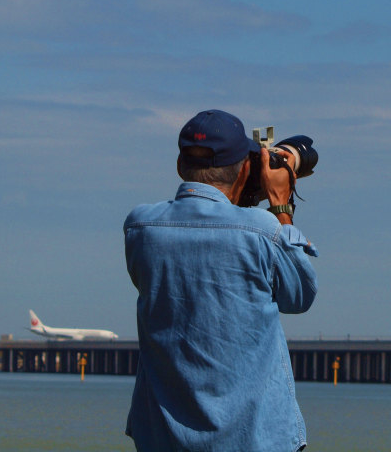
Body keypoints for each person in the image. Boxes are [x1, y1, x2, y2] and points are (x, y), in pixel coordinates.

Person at [124, 109, 318, 452]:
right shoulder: (263, 230)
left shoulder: (141, 228)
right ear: (245, 168)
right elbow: (299, 296)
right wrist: (279, 204)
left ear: (181, 165)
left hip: (163, 439)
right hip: (255, 439)